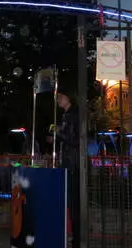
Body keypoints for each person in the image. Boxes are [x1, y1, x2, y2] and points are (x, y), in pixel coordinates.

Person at [53, 88, 80, 246]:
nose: (58, 100)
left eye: (60, 97)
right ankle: (75, 236)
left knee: (74, 202)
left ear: (69, 98)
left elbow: (72, 139)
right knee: (72, 202)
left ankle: (77, 237)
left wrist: (58, 131)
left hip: (72, 164)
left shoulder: (71, 115)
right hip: (70, 162)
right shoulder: (69, 115)